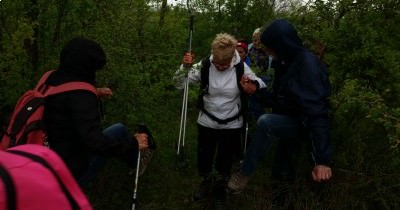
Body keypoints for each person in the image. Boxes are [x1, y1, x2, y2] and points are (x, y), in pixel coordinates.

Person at [227, 19, 332, 195]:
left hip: (306, 123)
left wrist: (322, 160)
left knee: (266, 122)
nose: (266, 50)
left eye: (269, 47)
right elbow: (282, 99)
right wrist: (255, 91)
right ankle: (278, 194)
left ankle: (244, 173)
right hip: (290, 118)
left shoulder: (307, 67)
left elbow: (317, 113)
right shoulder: (286, 61)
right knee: (283, 167)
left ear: (280, 44)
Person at [43, 37, 154, 186]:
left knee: (118, 129)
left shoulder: (49, 79)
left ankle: (135, 161)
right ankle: (137, 162)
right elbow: (95, 143)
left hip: (42, 161)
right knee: (119, 131)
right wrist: (133, 144)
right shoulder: (82, 97)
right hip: (69, 175)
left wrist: (94, 91)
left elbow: (65, 99)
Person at [174, 33, 266, 209]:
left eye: (225, 64)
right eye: (218, 64)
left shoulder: (240, 66)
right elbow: (179, 83)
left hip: (232, 123)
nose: (221, 67)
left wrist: (252, 85)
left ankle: (220, 189)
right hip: (207, 120)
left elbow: (261, 83)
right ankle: (206, 181)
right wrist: (184, 67)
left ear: (232, 58)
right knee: (204, 156)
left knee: (225, 159)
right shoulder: (206, 65)